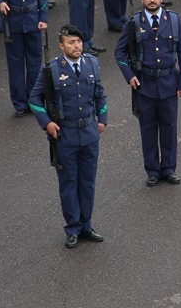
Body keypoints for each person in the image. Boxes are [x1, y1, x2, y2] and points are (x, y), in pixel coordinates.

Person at [29, 24, 108, 249]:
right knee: (69, 183)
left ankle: (87, 224)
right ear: (61, 45)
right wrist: (47, 124)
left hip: (89, 133)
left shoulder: (92, 63)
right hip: (65, 135)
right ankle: (72, 227)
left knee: (87, 182)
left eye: (79, 42)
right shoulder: (51, 69)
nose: (76, 46)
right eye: (71, 42)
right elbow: (34, 100)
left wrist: (103, 118)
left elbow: (99, 93)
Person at [114, 0, 181, 187]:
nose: (151, 0)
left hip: (168, 83)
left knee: (169, 128)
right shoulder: (134, 23)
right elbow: (119, 52)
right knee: (148, 130)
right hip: (145, 85)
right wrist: (129, 75)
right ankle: (152, 171)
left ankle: (169, 168)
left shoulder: (174, 20)